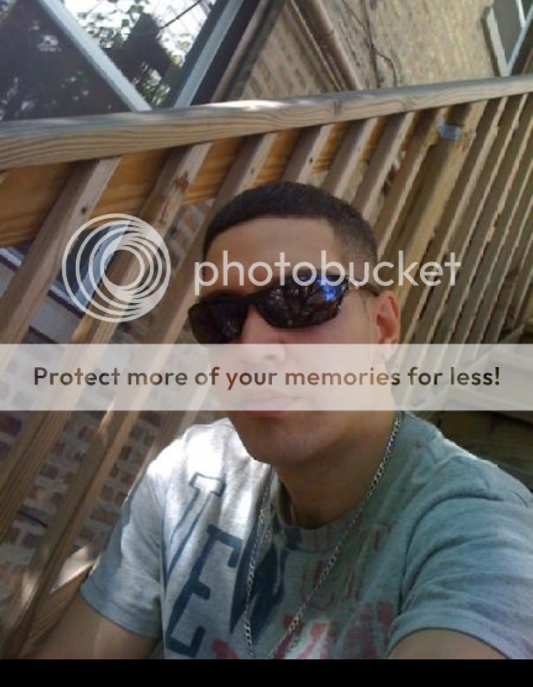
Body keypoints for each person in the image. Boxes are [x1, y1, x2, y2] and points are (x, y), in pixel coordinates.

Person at [36, 182, 533, 659]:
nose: (251, 349)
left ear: (381, 328)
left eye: (302, 299)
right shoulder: (188, 478)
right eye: (221, 319)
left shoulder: (476, 528)